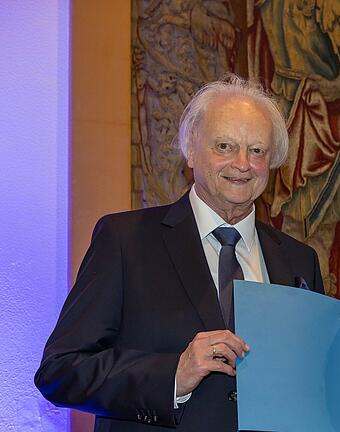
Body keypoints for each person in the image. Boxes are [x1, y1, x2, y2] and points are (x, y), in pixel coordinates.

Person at [34, 75, 324, 431]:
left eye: (257, 150)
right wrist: (174, 375)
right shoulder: (125, 241)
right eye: (224, 146)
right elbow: (61, 371)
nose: (242, 164)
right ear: (190, 150)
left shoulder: (300, 261)